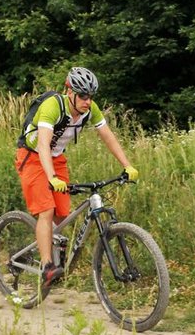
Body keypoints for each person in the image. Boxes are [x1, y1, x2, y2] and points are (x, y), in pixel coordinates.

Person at [15, 66, 137, 291]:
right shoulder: (52, 106)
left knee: (63, 214)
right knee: (46, 210)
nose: (87, 101)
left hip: (57, 158)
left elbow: (107, 136)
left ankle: (49, 242)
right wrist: (51, 177)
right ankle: (47, 266)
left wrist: (127, 165)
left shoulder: (90, 110)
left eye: (90, 96)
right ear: (69, 92)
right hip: (31, 157)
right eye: (82, 96)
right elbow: (42, 145)